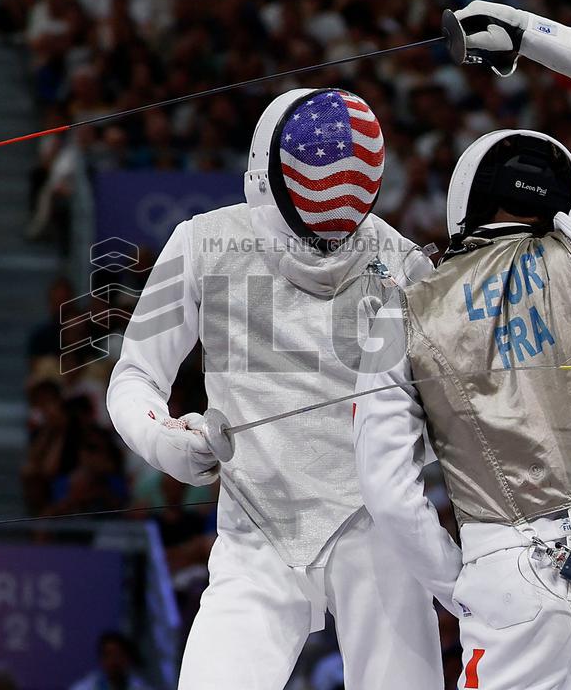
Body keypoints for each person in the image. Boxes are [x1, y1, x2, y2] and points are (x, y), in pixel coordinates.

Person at [354, 0, 571, 689]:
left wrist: (466, 581)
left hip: (506, 572)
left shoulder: (401, 311)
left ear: (466, 198)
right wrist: (527, 35)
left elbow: (388, 492)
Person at [108, 88, 448, 688]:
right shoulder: (203, 244)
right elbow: (135, 375)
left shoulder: (405, 266)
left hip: (379, 531)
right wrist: (167, 442)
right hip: (256, 530)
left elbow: (448, 415)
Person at [69, 631, 151, 690]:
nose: (114, 660)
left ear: (127, 658)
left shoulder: (141, 687)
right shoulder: (85, 687)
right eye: (108, 655)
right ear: (101, 660)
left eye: (118, 654)